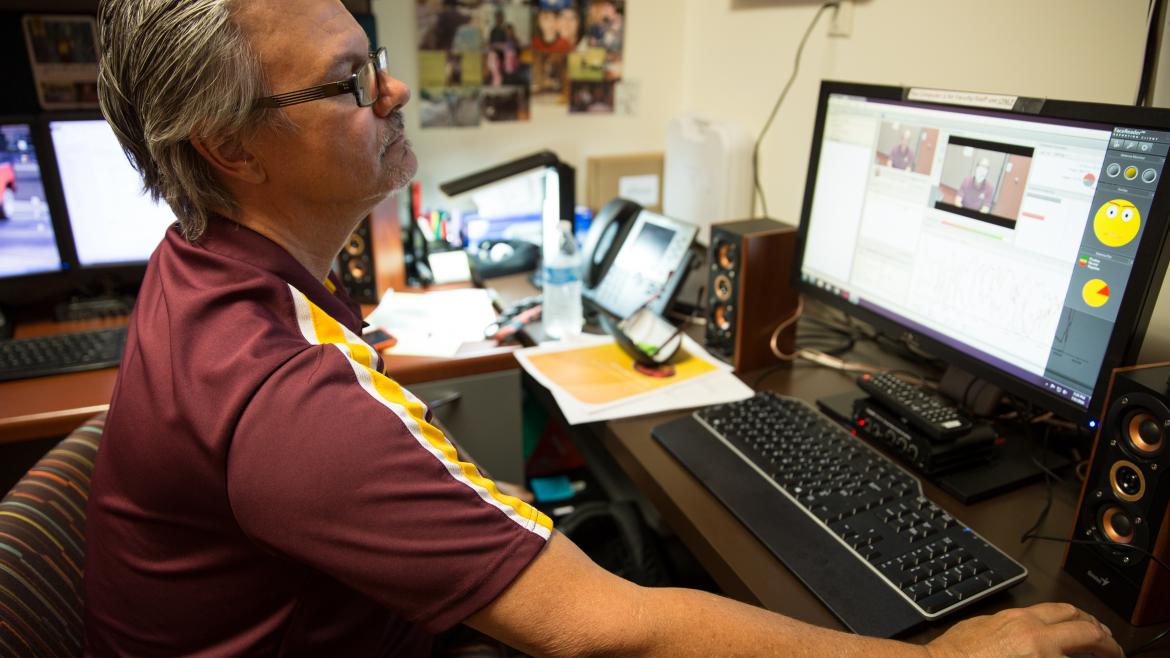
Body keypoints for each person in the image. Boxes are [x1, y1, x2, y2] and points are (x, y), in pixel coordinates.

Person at [85, 1, 1124, 656]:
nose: (394, 89)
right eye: (353, 82)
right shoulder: (288, 402)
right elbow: (597, 628)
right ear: (230, 146)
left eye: (376, 55)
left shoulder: (205, 268)